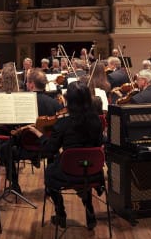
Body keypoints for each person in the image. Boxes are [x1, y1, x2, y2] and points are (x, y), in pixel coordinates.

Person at [28, 81, 103, 230]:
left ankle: (61, 213)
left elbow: (50, 150)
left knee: (50, 172)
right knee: (83, 165)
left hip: (69, 173)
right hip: (93, 171)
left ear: (69, 100)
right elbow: (98, 143)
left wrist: (39, 133)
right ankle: (89, 208)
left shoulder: (64, 123)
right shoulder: (97, 120)